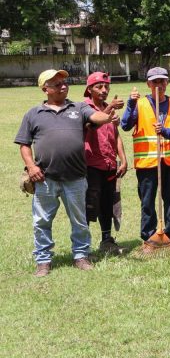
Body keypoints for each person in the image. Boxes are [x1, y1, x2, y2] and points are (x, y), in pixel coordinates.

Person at [16, 70, 119, 276]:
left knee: (79, 220)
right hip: (45, 178)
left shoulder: (78, 108)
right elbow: (24, 144)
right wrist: (31, 167)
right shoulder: (33, 114)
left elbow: (96, 117)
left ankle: (81, 256)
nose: (63, 86)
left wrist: (107, 114)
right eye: (57, 84)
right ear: (45, 89)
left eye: (65, 82)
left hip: (76, 178)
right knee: (42, 221)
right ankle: (43, 261)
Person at [121, 67, 170, 247]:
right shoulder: (140, 104)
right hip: (147, 162)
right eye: (155, 82)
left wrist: (163, 131)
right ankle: (149, 237)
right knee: (147, 201)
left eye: (162, 81)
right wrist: (130, 104)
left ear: (167, 82)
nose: (159, 85)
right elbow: (125, 125)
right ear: (148, 84)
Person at [82, 71, 128, 255]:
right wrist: (109, 109)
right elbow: (92, 124)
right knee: (90, 203)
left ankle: (107, 240)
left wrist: (123, 159)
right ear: (89, 89)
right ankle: (83, 245)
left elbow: (115, 135)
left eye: (106, 87)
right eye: (99, 87)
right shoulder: (84, 108)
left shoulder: (108, 108)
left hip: (109, 164)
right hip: (92, 164)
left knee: (108, 202)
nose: (104, 90)